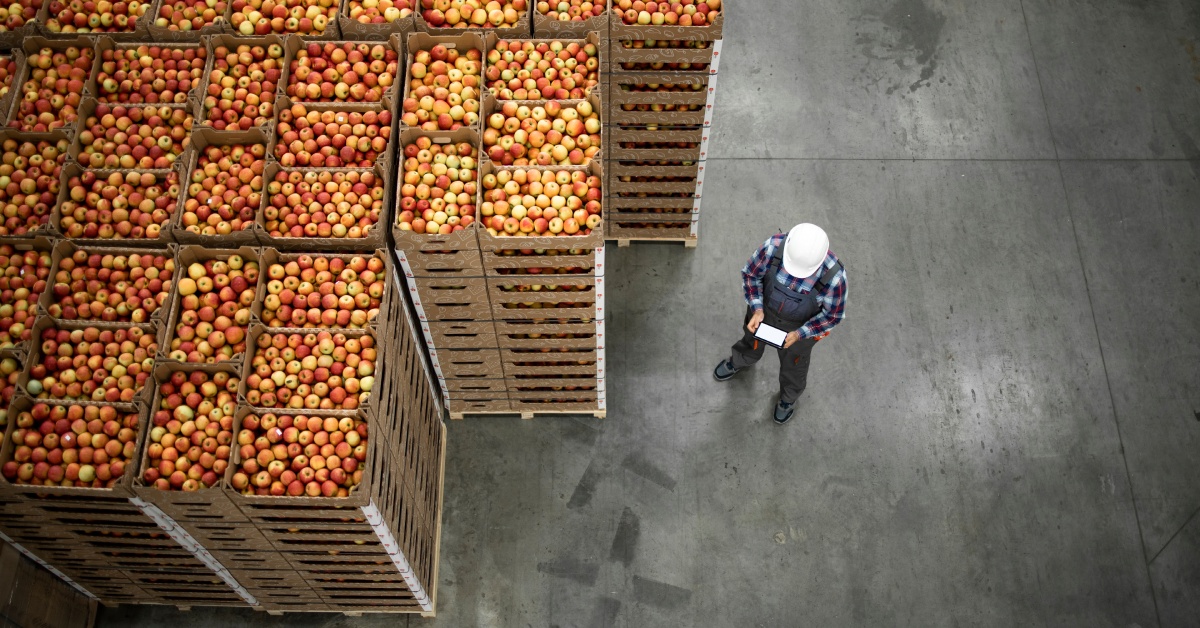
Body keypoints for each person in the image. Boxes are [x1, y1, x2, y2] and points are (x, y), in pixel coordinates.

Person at [713, 223, 847, 424]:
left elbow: (832, 316)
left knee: (795, 364)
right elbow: (751, 275)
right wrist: (757, 308)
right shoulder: (773, 246)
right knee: (751, 341)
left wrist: (801, 333)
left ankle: (788, 398)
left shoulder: (835, 278)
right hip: (763, 313)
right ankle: (740, 359)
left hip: (798, 331)